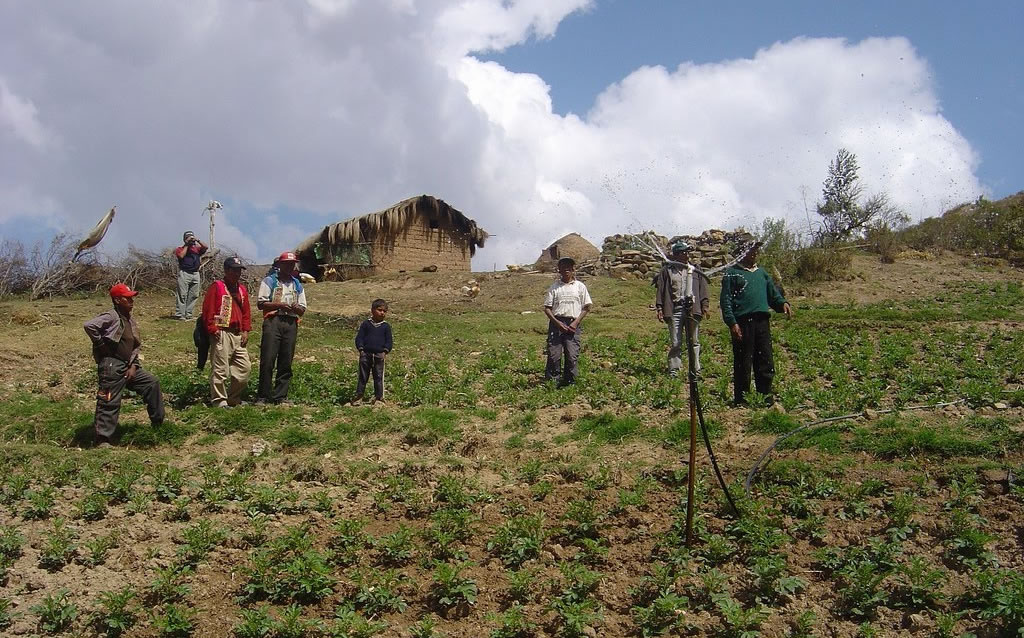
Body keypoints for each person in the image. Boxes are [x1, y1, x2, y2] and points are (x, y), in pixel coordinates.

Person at [83, 283, 165, 446]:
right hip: (111, 365)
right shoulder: (112, 316)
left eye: (132, 298)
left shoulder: (130, 320)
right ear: (117, 300)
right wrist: (100, 345)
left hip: (127, 365)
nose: (131, 301)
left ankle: (158, 424)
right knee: (109, 399)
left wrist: (134, 366)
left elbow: (135, 347)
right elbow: (89, 325)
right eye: (127, 299)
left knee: (151, 383)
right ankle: (102, 439)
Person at [720, 241, 792, 406]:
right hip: (743, 323)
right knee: (743, 362)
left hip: (762, 322)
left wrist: (783, 304)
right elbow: (726, 301)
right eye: (751, 250)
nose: (755, 253)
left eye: (756, 250)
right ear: (742, 253)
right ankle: (742, 400)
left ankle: (765, 397)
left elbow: (773, 296)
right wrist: (732, 323)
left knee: (765, 360)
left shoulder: (762, 274)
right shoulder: (732, 274)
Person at [200, 257, 252, 407]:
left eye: (239, 270)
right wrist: (212, 328)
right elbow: (208, 309)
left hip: (237, 333)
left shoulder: (242, 290)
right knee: (220, 369)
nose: (237, 273)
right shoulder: (217, 286)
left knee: (244, 368)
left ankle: (233, 397)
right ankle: (219, 401)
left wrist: (246, 330)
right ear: (226, 270)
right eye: (234, 270)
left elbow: (246, 312)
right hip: (221, 331)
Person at [257, 251, 307, 404]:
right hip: (274, 320)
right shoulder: (270, 281)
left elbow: (303, 309)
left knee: (286, 359)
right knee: (268, 358)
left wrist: (295, 308)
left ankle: (281, 396)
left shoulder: (297, 284)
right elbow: (261, 303)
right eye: (287, 264)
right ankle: (263, 395)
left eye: (292, 264)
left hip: (291, 322)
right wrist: (279, 305)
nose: (290, 267)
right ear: (280, 265)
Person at [655, 240, 710, 377]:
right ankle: (674, 370)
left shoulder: (694, 270)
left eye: (687, 252)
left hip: (692, 309)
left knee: (694, 341)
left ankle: (695, 371)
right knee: (676, 342)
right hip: (675, 310)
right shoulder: (667, 271)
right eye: (683, 252)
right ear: (677, 254)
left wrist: (705, 305)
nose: (687, 255)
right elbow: (661, 290)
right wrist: (660, 308)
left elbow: (703, 288)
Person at [543, 257, 593, 386]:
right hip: (556, 323)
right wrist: (557, 323)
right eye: (563, 267)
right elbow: (547, 308)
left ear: (573, 269)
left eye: (569, 267)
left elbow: (587, 307)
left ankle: (570, 383)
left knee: (572, 355)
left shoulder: (580, 287)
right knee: (554, 355)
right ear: (559, 270)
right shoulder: (554, 287)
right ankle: (553, 383)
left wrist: (575, 323)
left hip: (573, 323)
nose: (566, 270)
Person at [353, 299, 393, 404]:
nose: (382, 313)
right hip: (366, 354)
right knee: (363, 376)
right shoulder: (366, 324)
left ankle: (379, 398)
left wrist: (385, 351)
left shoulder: (386, 327)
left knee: (378, 377)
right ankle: (359, 397)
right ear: (372, 310)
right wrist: (361, 349)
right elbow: (359, 338)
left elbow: (389, 341)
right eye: (379, 310)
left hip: (379, 355)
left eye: (384, 311)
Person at [173, 231, 207, 320]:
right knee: (182, 294)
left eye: (192, 237)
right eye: (189, 237)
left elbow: (206, 247)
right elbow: (181, 256)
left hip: (195, 274)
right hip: (185, 273)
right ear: (184, 239)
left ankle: (188, 314)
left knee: (194, 295)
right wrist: (187, 245)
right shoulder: (180, 248)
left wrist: (198, 240)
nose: (191, 239)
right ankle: (180, 314)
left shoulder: (197, 249)